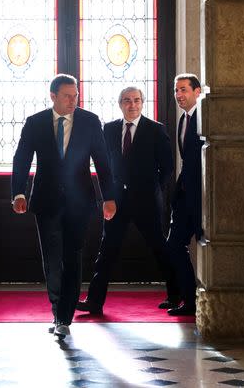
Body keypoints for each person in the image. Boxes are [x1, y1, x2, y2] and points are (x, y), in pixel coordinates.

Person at [11, 74, 116, 340]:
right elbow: (22, 158)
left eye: (76, 95)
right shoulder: (35, 123)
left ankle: (64, 316)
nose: (73, 100)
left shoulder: (90, 122)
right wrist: (18, 193)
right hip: (46, 202)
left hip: (80, 201)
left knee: (73, 257)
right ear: (53, 96)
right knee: (52, 260)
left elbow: (103, 162)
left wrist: (109, 196)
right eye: (68, 95)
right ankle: (57, 309)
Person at [76, 86, 177, 316]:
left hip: (147, 202)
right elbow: (103, 164)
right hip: (116, 201)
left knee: (159, 247)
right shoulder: (109, 129)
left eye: (136, 100)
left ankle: (175, 295)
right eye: (127, 101)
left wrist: (151, 188)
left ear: (142, 103)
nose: (132, 105)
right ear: (120, 104)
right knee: (107, 249)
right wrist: (107, 195)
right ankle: (94, 301)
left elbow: (167, 167)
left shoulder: (156, 130)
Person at [165, 73, 203, 316]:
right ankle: (188, 299)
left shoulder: (204, 118)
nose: (179, 95)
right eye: (176, 90)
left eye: (184, 90)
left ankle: (193, 301)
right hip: (185, 195)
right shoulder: (183, 119)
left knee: (199, 244)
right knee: (174, 245)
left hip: (202, 197)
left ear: (197, 91)